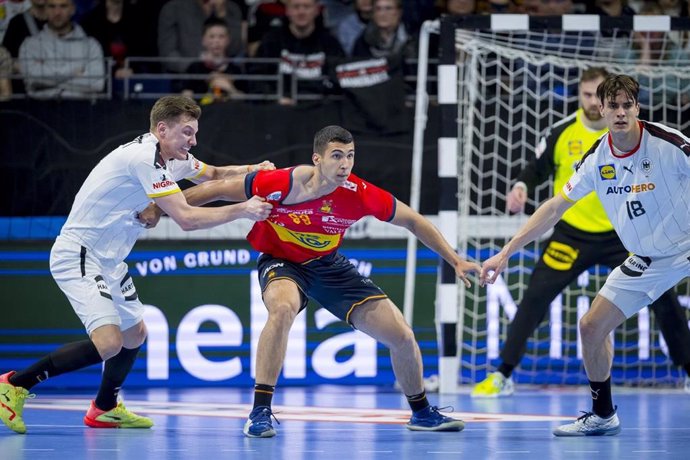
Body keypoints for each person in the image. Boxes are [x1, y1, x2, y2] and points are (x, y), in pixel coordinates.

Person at [161, 125, 478, 437]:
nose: (345, 164)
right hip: (281, 261)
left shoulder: (361, 194)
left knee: (403, 336)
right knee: (282, 309)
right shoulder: (280, 182)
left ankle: (421, 412)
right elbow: (216, 188)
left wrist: (455, 259)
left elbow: (413, 220)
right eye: (337, 156)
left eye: (350, 156)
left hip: (329, 267)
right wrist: (161, 207)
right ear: (317, 159)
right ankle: (260, 411)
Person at [0, 95, 274, 435]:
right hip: (79, 254)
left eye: (195, 133)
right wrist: (244, 209)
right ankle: (15, 384)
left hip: (110, 260)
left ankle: (104, 407)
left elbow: (215, 174)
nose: (193, 141)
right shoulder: (143, 159)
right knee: (109, 343)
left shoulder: (173, 157)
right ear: (162, 129)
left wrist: (254, 170)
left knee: (135, 334)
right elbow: (187, 219)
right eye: (187, 133)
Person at [480, 74, 690, 436]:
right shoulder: (597, 158)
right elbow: (554, 207)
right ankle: (603, 414)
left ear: (637, 108)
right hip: (646, 258)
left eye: (628, 105)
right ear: (602, 109)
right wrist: (506, 252)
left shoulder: (669, 143)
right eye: (614, 106)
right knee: (591, 327)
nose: (621, 112)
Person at [251, 0, 345, 105]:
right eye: (296, 7)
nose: (301, 12)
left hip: (321, 109)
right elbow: (257, 78)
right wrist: (275, 99)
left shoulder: (330, 43)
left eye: (307, 7)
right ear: (287, 11)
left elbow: (341, 79)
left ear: (316, 10)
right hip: (280, 108)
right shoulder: (271, 40)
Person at [18, 0, 105, 99]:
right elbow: (32, 81)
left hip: (82, 110)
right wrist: (73, 72)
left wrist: (47, 81)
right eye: (52, 7)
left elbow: (96, 84)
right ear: (46, 10)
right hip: (40, 110)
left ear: (72, 9)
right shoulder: (30, 45)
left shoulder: (91, 45)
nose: (57, 12)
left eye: (63, 6)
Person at [157, 0, 244, 73]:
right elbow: (168, 55)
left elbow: (235, 50)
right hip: (185, 77)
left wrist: (222, 13)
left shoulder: (231, 9)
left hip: (224, 75)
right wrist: (198, 69)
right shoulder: (173, 8)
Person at [181, 16, 244, 103]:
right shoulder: (194, 68)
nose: (216, 41)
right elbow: (185, 99)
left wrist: (229, 88)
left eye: (221, 36)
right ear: (203, 40)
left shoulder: (236, 70)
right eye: (211, 36)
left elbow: (245, 102)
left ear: (228, 40)